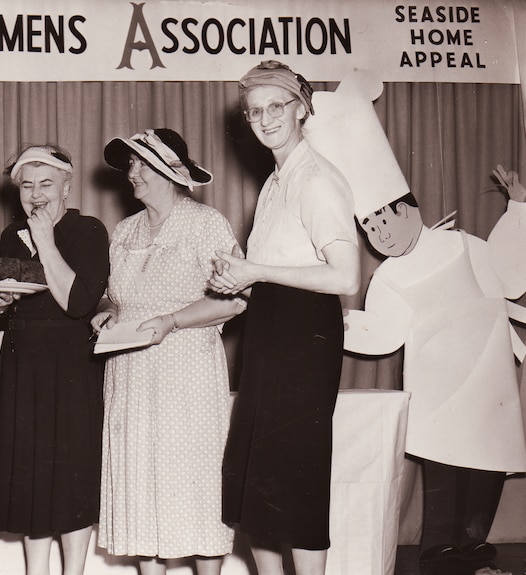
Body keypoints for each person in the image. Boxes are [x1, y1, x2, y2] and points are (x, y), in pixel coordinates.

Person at [210, 60, 360, 575]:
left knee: (296, 479)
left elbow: (345, 277)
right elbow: (283, 266)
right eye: (255, 111)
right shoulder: (278, 180)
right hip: (273, 328)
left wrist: (256, 269)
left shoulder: (317, 178)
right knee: (260, 482)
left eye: (277, 106)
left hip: (304, 334)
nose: (265, 118)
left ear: (302, 109)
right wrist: (245, 279)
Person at [344, 170, 526, 575]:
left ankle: (475, 542)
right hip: (437, 382)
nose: (379, 234)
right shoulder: (387, 276)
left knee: (489, 460)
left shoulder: (463, 244)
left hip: (488, 373)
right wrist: (339, 324)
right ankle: (439, 546)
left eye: (383, 219)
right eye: (370, 228)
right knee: (443, 460)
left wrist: (517, 209)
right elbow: (383, 336)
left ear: (407, 209)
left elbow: (511, 278)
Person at [91, 128, 241, 575]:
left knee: (192, 484)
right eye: (130, 164)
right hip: (131, 376)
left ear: (172, 171)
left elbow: (235, 297)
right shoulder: (124, 230)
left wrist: (172, 320)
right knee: (141, 485)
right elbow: (114, 294)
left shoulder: (205, 223)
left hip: (186, 372)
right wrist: (106, 309)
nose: (131, 173)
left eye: (140, 163)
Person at [0, 145, 109, 575]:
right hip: (22, 365)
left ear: (67, 186)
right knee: (30, 476)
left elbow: (77, 302)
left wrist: (44, 240)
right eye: (27, 185)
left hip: (73, 364)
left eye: (46, 184)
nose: (36, 194)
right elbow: (3, 307)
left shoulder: (87, 230)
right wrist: (0, 303)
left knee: (72, 473)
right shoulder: (9, 235)